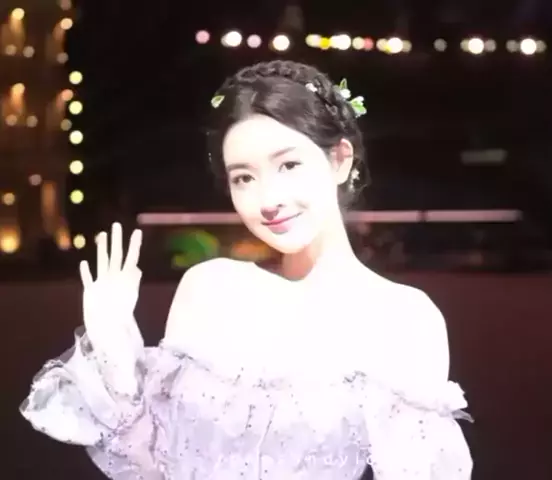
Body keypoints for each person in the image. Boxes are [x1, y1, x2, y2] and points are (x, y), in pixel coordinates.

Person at [21, 60, 473, 479]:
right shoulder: (210, 289)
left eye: (289, 165)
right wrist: (114, 350)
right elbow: (154, 466)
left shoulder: (404, 318)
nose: (268, 199)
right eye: (243, 177)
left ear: (340, 159)